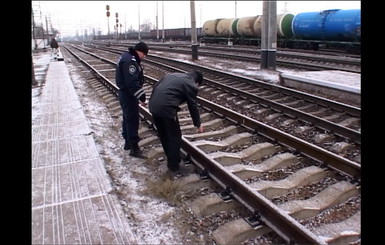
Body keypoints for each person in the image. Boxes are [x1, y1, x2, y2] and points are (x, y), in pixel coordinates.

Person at [149, 70, 205, 175]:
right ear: (197, 82)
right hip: (167, 109)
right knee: (175, 136)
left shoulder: (173, 75)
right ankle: (174, 166)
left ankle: (171, 160)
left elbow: (156, 86)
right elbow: (192, 105)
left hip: (153, 106)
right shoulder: (191, 84)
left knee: (164, 135)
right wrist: (198, 123)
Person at [115, 41, 149, 158]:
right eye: (144, 54)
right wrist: (142, 97)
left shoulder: (125, 56)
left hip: (124, 94)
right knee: (132, 120)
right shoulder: (131, 62)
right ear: (140, 52)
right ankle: (134, 148)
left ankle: (127, 143)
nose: (144, 57)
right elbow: (132, 83)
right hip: (128, 95)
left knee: (127, 118)